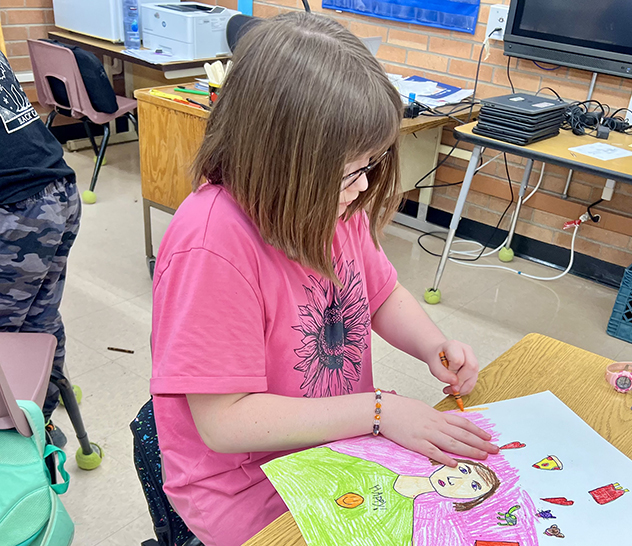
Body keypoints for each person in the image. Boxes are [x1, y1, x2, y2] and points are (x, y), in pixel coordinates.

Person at [150, 12, 498, 546]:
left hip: (334, 445)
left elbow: (381, 294)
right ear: (281, 163)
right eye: (349, 172)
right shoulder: (212, 244)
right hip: (248, 488)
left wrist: (433, 344)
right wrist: (379, 411)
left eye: (370, 166)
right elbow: (224, 423)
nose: (361, 189)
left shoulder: (334, 204)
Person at [0, 51, 79, 447]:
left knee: (7, 336)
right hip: (56, 188)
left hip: (17, 207)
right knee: (39, 317)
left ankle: (19, 441)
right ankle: (41, 421)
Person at [264, 447, 501, 545]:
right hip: (277, 510)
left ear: (465, 502)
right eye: (463, 470)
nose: (455, 480)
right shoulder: (369, 468)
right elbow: (294, 469)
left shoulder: (400, 529)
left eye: (471, 487)